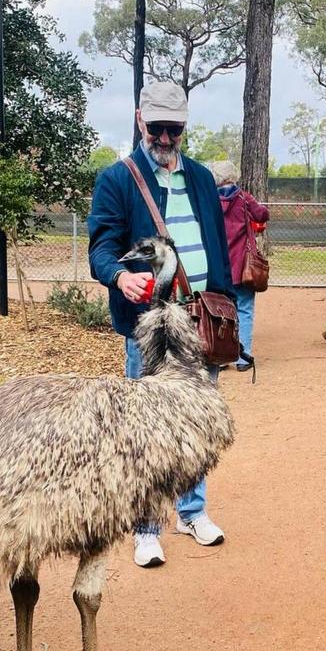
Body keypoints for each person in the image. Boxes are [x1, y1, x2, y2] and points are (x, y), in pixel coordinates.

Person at [87, 80, 235, 568]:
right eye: (158, 128)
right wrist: (120, 276)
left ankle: (192, 511)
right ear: (139, 121)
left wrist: (228, 309)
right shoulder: (119, 179)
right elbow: (101, 250)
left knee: (195, 421)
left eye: (175, 129)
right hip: (151, 322)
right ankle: (146, 526)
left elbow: (217, 245)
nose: (167, 138)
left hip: (200, 317)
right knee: (148, 427)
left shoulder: (198, 176)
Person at [211, 159, 269, 371]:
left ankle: (223, 356)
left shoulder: (210, 200)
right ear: (232, 176)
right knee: (244, 310)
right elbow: (263, 214)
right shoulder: (244, 198)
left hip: (219, 266)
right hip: (243, 266)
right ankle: (243, 359)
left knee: (223, 312)